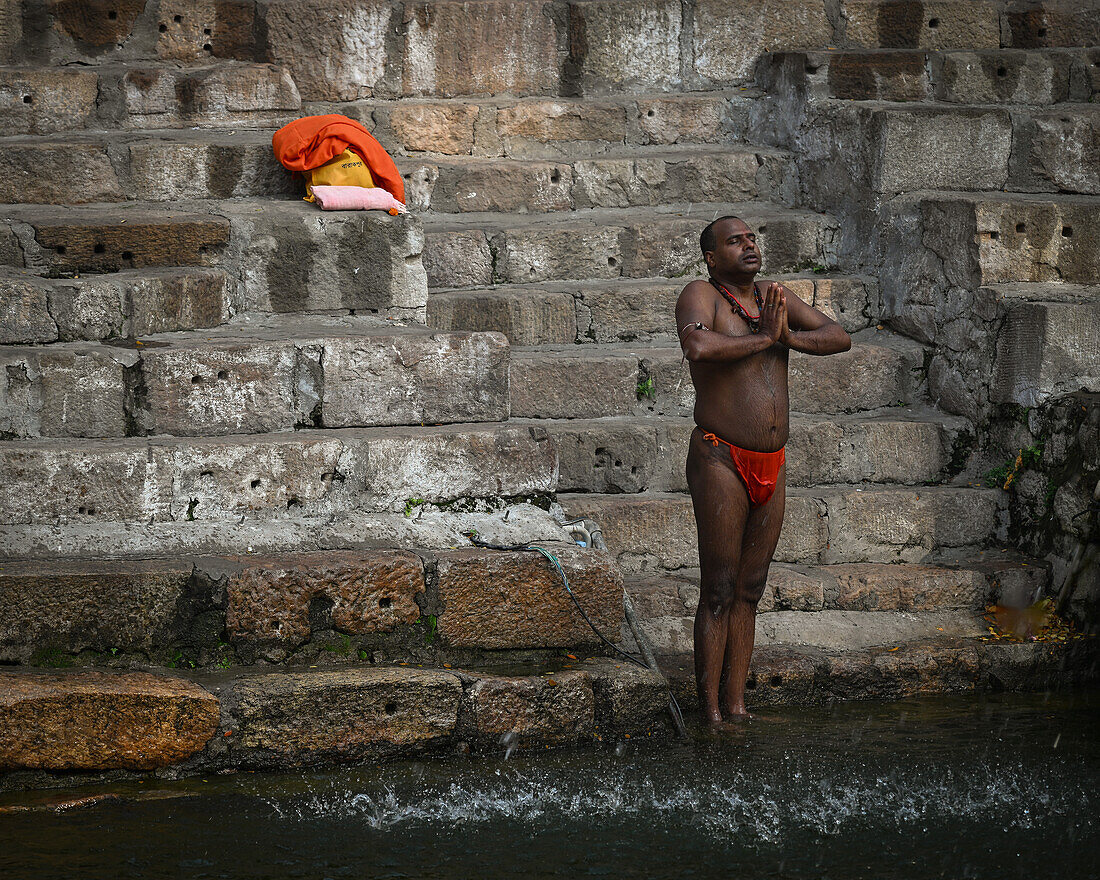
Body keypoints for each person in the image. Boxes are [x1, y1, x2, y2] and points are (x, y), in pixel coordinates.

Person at [675, 216, 851, 723]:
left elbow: (838, 337)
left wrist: (787, 338)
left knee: (751, 587)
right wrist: (763, 340)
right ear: (712, 257)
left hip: (772, 462)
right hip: (720, 457)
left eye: (751, 238)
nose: (748, 246)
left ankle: (737, 706)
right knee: (719, 588)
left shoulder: (774, 296)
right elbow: (698, 346)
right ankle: (708, 713)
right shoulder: (700, 294)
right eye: (735, 241)